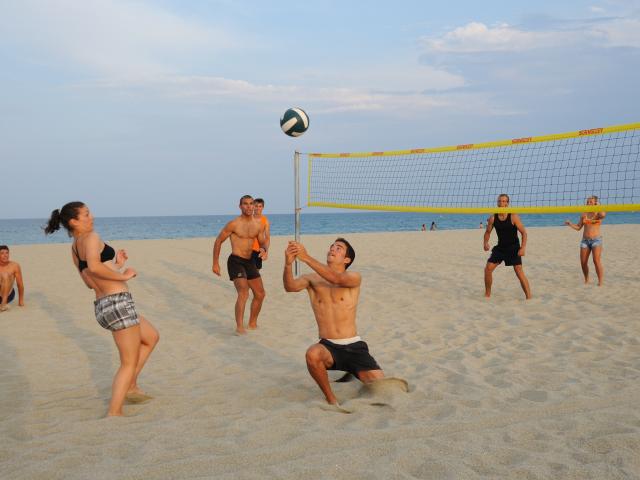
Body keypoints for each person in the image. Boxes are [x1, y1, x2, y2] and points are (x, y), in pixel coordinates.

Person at [44, 202, 159, 417]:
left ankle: (131, 386)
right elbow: (96, 268)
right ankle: (114, 412)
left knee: (151, 336)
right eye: (86, 214)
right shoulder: (92, 237)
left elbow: (90, 280)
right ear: (74, 221)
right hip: (118, 303)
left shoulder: (75, 248)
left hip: (104, 306)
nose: (92, 217)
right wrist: (124, 275)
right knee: (128, 362)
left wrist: (116, 264)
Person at [283, 238, 384, 407]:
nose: (333, 249)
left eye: (339, 248)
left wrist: (306, 257)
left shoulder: (353, 277)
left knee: (381, 388)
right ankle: (331, 399)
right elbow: (290, 287)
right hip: (328, 346)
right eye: (332, 246)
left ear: (347, 260)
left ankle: (352, 370)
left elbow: (337, 279)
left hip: (354, 346)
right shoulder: (311, 279)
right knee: (312, 354)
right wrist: (287, 265)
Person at [212, 195, 268, 334]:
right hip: (236, 261)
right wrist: (215, 263)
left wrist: (264, 250)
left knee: (260, 294)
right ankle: (239, 326)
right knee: (243, 292)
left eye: (251, 204)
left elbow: (262, 241)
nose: (249, 206)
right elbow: (218, 241)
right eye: (245, 204)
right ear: (240, 206)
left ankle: (252, 322)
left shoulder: (258, 224)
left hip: (250, 261)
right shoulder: (234, 224)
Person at [483, 194, 532, 300]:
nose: (502, 203)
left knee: (518, 270)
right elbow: (487, 232)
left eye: (504, 201)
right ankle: (487, 295)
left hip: (513, 247)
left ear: (508, 204)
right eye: (500, 201)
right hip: (500, 248)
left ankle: (529, 297)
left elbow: (524, 233)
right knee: (488, 269)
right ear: (497, 203)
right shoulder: (492, 218)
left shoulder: (513, 216)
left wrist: (523, 248)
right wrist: (485, 242)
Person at [564, 195, 606, 285]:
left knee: (596, 260)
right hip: (585, 241)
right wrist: (570, 224)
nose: (588, 203)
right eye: (587, 202)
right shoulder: (584, 213)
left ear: (595, 203)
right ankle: (587, 279)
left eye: (590, 202)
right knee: (583, 262)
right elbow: (579, 227)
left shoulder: (598, 213)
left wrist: (598, 206)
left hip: (596, 240)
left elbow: (603, 215)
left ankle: (600, 281)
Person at [0, 245, 25, 311]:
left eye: (7, 253)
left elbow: (20, 285)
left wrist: (21, 301)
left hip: (8, 294)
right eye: (2, 253)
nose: (5, 255)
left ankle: (3, 304)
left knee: (5, 275)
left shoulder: (14, 266)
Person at [251, 198, 271, 270]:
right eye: (256, 206)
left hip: (259, 250)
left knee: (256, 275)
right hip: (247, 250)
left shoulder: (265, 221)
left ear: (263, 207)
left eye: (260, 206)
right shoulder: (247, 218)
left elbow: (267, 238)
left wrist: (266, 252)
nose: (258, 208)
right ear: (253, 207)